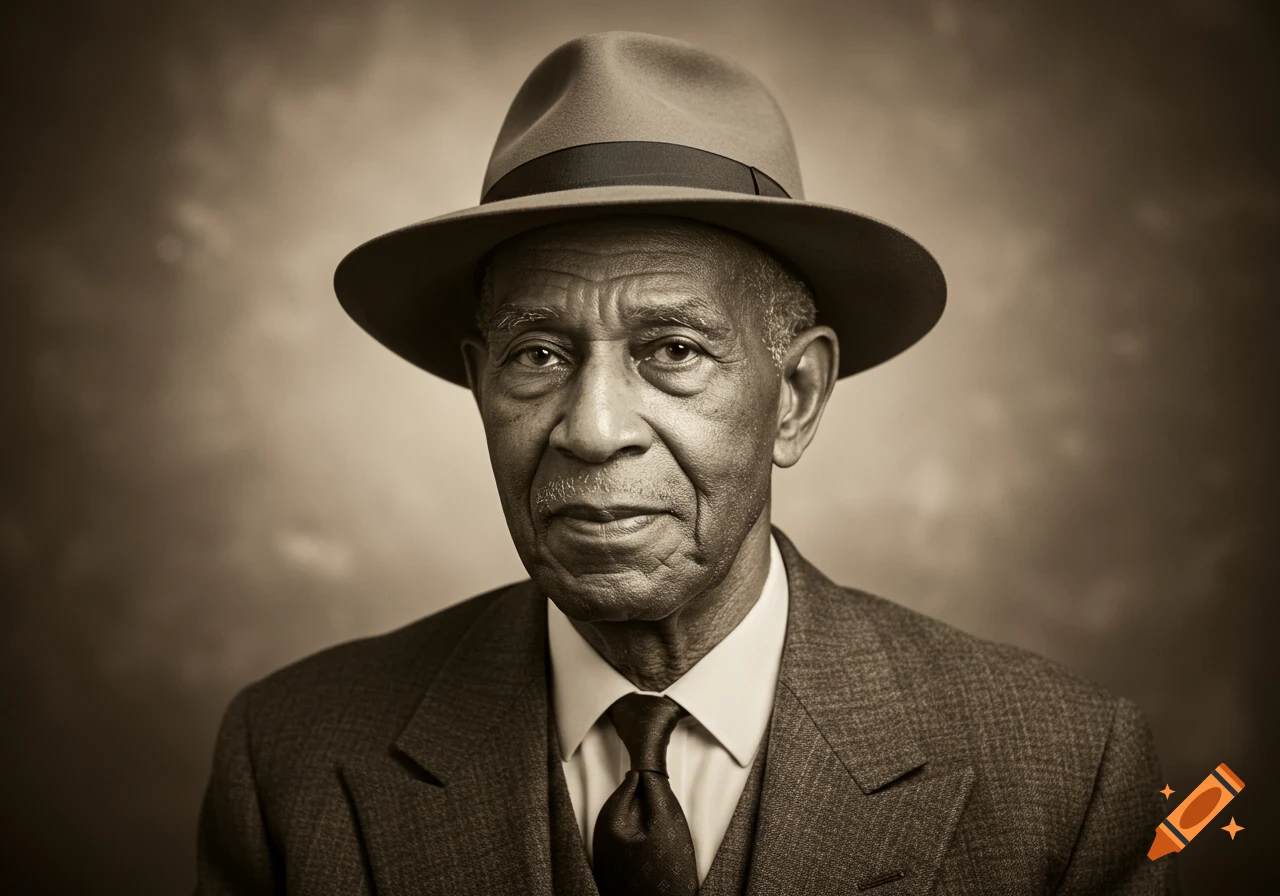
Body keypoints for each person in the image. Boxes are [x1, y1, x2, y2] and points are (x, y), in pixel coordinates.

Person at [194, 31, 1177, 896]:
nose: (592, 427)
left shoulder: (1062, 774)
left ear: (794, 396)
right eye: (537, 355)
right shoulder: (291, 756)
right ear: (477, 382)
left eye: (672, 351)